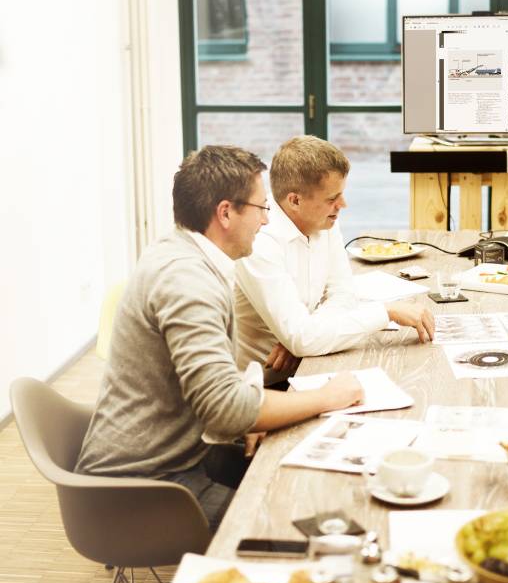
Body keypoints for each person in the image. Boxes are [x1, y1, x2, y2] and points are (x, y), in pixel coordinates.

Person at [75, 145, 364, 531]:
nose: (266, 222)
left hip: (181, 453)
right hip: (144, 485)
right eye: (262, 209)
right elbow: (224, 409)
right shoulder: (187, 282)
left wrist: (248, 410)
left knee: (310, 482)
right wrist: (329, 396)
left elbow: (218, 396)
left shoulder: (186, 255)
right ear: (226, 212)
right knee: (291, 527)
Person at [234, 136, 434, 384]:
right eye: (332, 199)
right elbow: (303, 339)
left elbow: (343, 295)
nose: (343, 205)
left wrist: (305, 336)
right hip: (264, 388)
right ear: (295, 200)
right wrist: (385, 312)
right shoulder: (259, 242)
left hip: (317, 362)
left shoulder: (324, 222)